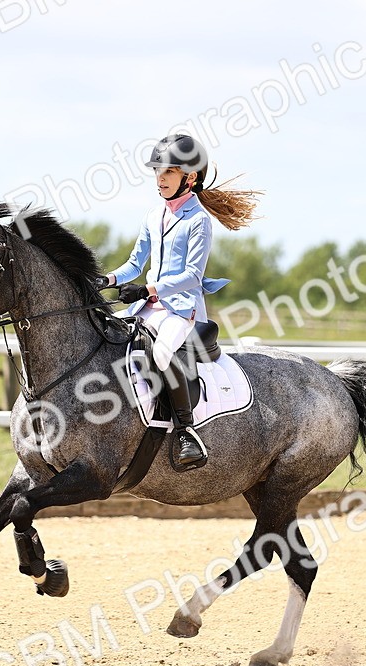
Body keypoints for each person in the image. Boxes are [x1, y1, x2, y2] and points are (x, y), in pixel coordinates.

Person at [94, 133, 261, 469]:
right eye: (158, 172)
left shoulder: (198, 221)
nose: (160, 179)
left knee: (161, 351)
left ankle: (186, 431)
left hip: (181, 310)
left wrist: (147, 290)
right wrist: (107, 279)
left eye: (168, 172)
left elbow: (191, 277)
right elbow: (134, 263)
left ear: (190, 177)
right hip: (147, 308)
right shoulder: (154, 216)